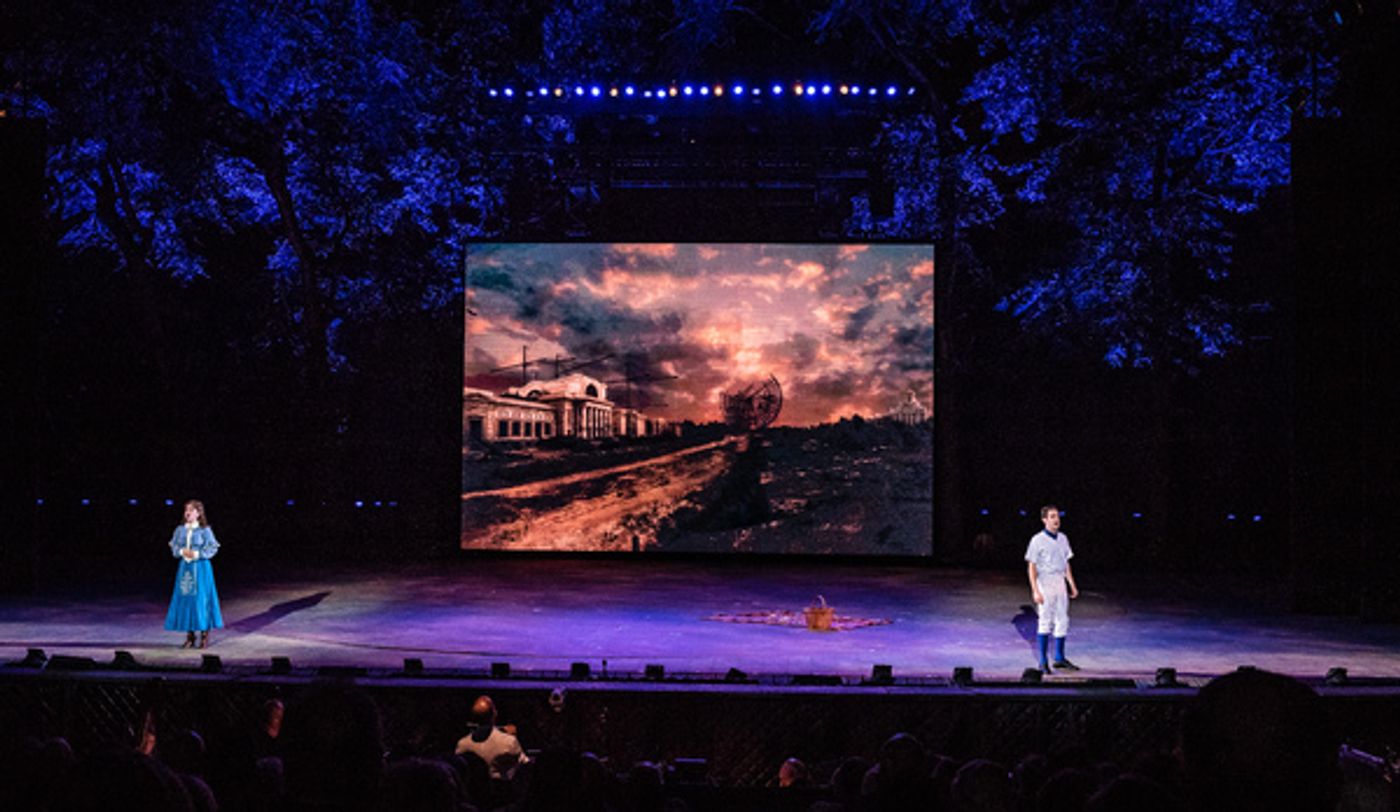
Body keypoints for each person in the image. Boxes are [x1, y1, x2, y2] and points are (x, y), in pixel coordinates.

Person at [1025, 505, 1079, 673]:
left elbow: (1066, 563)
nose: (1056, 520)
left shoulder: (1063, 538)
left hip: (1059, 581)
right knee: (1045, 620)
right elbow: (1032, 566)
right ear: (1044, 520)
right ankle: (1042, 661)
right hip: (1045, 580)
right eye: (1052, 516)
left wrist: (1072, 584)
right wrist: (1035, 590)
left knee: (1062, 619)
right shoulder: (1037, 540)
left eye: (1057, 516)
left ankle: (1059, 658)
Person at [163, 500, 223, 649]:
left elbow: (212, 547)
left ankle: (204, 635)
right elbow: (175, 547)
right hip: (185, 568)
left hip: (201, 568)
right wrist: (182, 551)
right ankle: (190, 636)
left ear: (198, 513)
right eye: (186, 510)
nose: (187, 513)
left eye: (191, 510)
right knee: (187, 600)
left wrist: (197, 553)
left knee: (201, 600)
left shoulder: (205, 530)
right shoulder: (180, 530)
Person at [454, 695, 529, 781]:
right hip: (502, 792)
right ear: (495, 713)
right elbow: (525, 764)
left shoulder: (462, 745)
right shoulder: (508, 742)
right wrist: (513, 737)